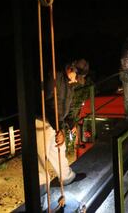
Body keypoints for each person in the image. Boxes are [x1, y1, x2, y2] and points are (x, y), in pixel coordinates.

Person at [36, 59, 88, 195]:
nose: (76, 81)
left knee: (59, 148)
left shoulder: (70, 83)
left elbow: (68, 106)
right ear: (71, 69)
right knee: (40, 158)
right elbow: (47, 102)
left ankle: (66, 177)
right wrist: (58, 128)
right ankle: (41, 192)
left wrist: (71, 123)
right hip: (42, 120)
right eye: (77, 77)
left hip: (55, 121)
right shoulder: (54, 76)